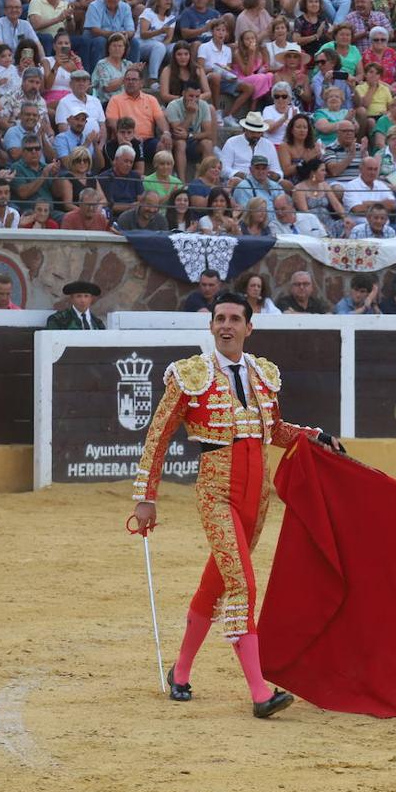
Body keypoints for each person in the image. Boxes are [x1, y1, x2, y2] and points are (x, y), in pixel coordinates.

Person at [129, 290, 342, 717]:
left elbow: (275, 430)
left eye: (234, 319)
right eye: (219, 318)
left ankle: (182, 672)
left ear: (249, 326)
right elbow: (158, 435)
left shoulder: (262, 375)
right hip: (216, 492)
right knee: (242, 584)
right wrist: (145, 497)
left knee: (217, 584)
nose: (226, 325)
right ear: (210, 326)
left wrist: (313, 436)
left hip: (256, 499)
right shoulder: (191, 375)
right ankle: (259, 691)